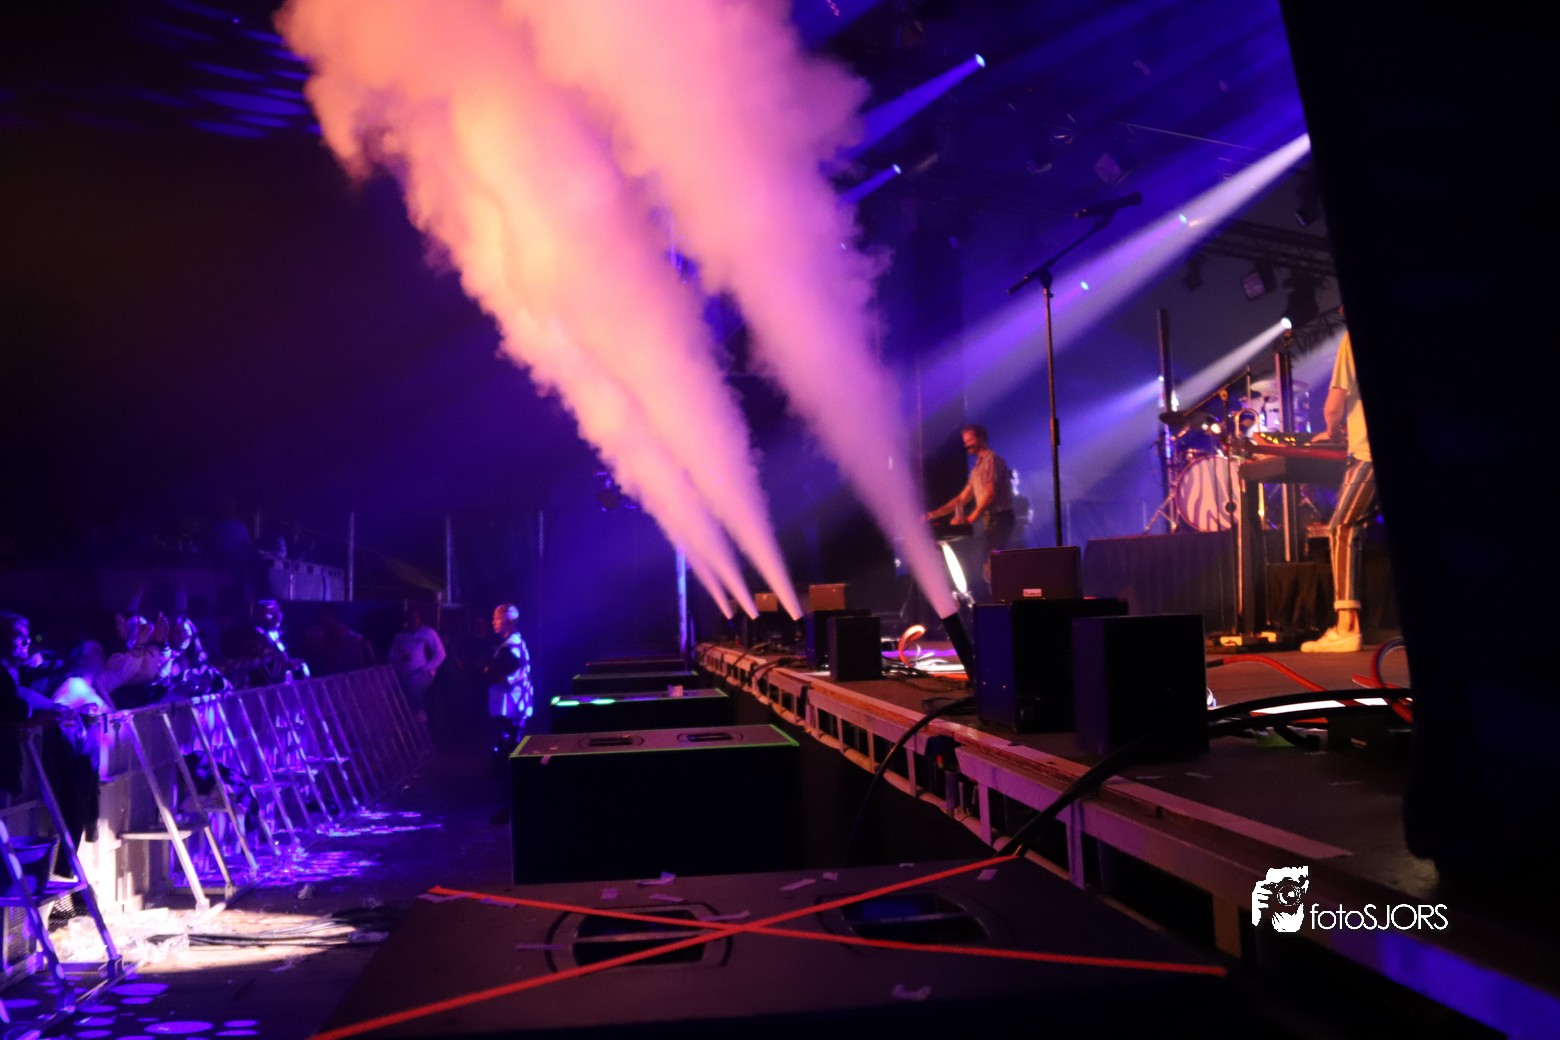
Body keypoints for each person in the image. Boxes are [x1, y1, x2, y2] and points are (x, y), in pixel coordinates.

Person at [1302, 329, 1377, 653]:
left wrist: (1331, 430)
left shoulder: (1351, 338)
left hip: (1368, 456)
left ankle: (1347, 628)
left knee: (1343, 528)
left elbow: (1334, 406)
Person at [923, 423, 1016, 592]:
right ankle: (998, 598)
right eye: (965, 442)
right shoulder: (977, 469)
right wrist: (933, 515)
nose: (966, 445)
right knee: (990, 567)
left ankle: (1004, 601)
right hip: (991, 522)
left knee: (994, 566)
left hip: (1001, 519)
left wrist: (970, 518)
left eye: (969, 440)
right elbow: (961, 499)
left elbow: (989, 495)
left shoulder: (991, 461)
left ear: (980, 438)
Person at [484, 603, 533, 760]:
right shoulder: (515, 642)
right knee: (512, 741)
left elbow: (494, 670)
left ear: (509, 621)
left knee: (509, 745)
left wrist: (488, 670)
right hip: (513, 703)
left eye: (497, 619)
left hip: (509, 704)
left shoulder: (510, 646)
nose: (493, 622)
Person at [387, 606, 445, 723]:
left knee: (412, 682)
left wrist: (426, 668)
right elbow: (391, 655)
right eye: (410, 617)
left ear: (420, 618)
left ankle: (419, 713)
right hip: (404, 673)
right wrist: (400, 657)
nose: (413, 620)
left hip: (424, 672)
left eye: (415, 617)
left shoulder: (427, 633)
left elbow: (441, 653)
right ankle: (400, 719)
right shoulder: (400, 636)